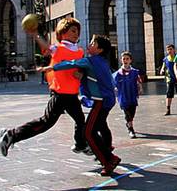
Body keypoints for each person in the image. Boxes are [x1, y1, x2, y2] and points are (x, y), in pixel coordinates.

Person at [0, 18, 89, 158]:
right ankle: (12, 134)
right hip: (60, 93)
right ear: (62, 33)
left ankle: (81, 144)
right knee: (46, 122)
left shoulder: (80, 51)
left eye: (77, 31)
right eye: (72, 31)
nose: (76, 34)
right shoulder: (58, 48)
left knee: (80, 120)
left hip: (71, 94)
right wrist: (35, 34)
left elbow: (82, 67)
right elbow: (46, 47)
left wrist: (81, 73)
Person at [39, 34, 120, 176]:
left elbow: (72, 63)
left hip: (101, 102)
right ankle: (108, 155)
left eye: (93, 43)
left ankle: (109, 160)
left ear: (100, 49)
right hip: (107, 100)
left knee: (88, 132)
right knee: (96, 129)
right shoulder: (101, 61)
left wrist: (52, 67)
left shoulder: (90, 60)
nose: (89, 44)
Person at [114, 51, 143, 139]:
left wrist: (140, 88)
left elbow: (138, 82)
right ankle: (131, 129)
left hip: (132, 95)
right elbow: (114, 84)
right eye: (124, 59)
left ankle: (129, 123)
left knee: (132, 112)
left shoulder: (134, 72)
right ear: (121, 60)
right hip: (123, 96)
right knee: (127, 113)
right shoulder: (118, 74)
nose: (125, 60)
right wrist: (115, 89)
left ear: (130, 60)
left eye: (127, 59)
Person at [159, 44, 177, 116]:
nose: (169, 51)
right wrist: (162, 70)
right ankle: (168, 109)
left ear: (174, 50)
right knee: (169, 94)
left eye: (170, 49)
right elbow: (164, 66)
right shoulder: (166, 59)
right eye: (168, 49)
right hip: (169, 79)